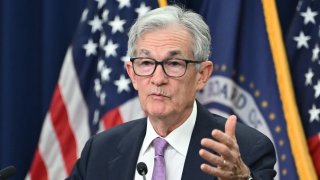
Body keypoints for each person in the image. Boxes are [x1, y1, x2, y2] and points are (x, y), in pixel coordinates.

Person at [67, 5, 276, 180]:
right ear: (132, 74)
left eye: (174, 63)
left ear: (202, 75)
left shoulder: (248, 149)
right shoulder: (100, 151)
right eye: (146, 63)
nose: (158, 79)